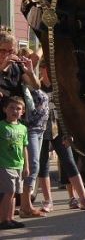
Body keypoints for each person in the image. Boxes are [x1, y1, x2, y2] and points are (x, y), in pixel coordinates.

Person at [35, 59, 85, 212]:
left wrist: (70, 133)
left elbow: (69, 112)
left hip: (59, 130)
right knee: (43, 165)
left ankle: (83, 197)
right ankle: (48, 201)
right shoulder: (36, 85)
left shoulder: (60, 86)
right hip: (41, 129)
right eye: (46, 67)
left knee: (69, 162)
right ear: (41, 69)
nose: (49, 70)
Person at [19, 50, 49, 218]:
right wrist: (46, 31)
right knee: (33, 165)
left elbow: (37, 85)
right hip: (30, 126)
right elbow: (37, 57)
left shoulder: (32, 75)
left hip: (40, 128)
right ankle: (25, 206)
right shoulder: (22, 75)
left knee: (34, 166)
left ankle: (26, 205)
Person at [0, 96, 28, 230]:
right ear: (5, 109)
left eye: (18, 108)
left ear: (22, 112)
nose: (15, 110)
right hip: (5, 164)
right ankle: (2, 220)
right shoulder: (1, 126)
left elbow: (24, 147)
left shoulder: (23, 128)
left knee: (15, 192)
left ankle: (10, 218)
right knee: (8, 191)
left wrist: (26, 166)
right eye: (11, 107)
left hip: (19, 165)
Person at [0, 30, 40, 120]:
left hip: (14, 122)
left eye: (10, 51)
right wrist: (2, 67)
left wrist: (31, 74)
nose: (6, 54)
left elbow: (36, 86)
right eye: (2, 50)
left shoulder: (17, 66)